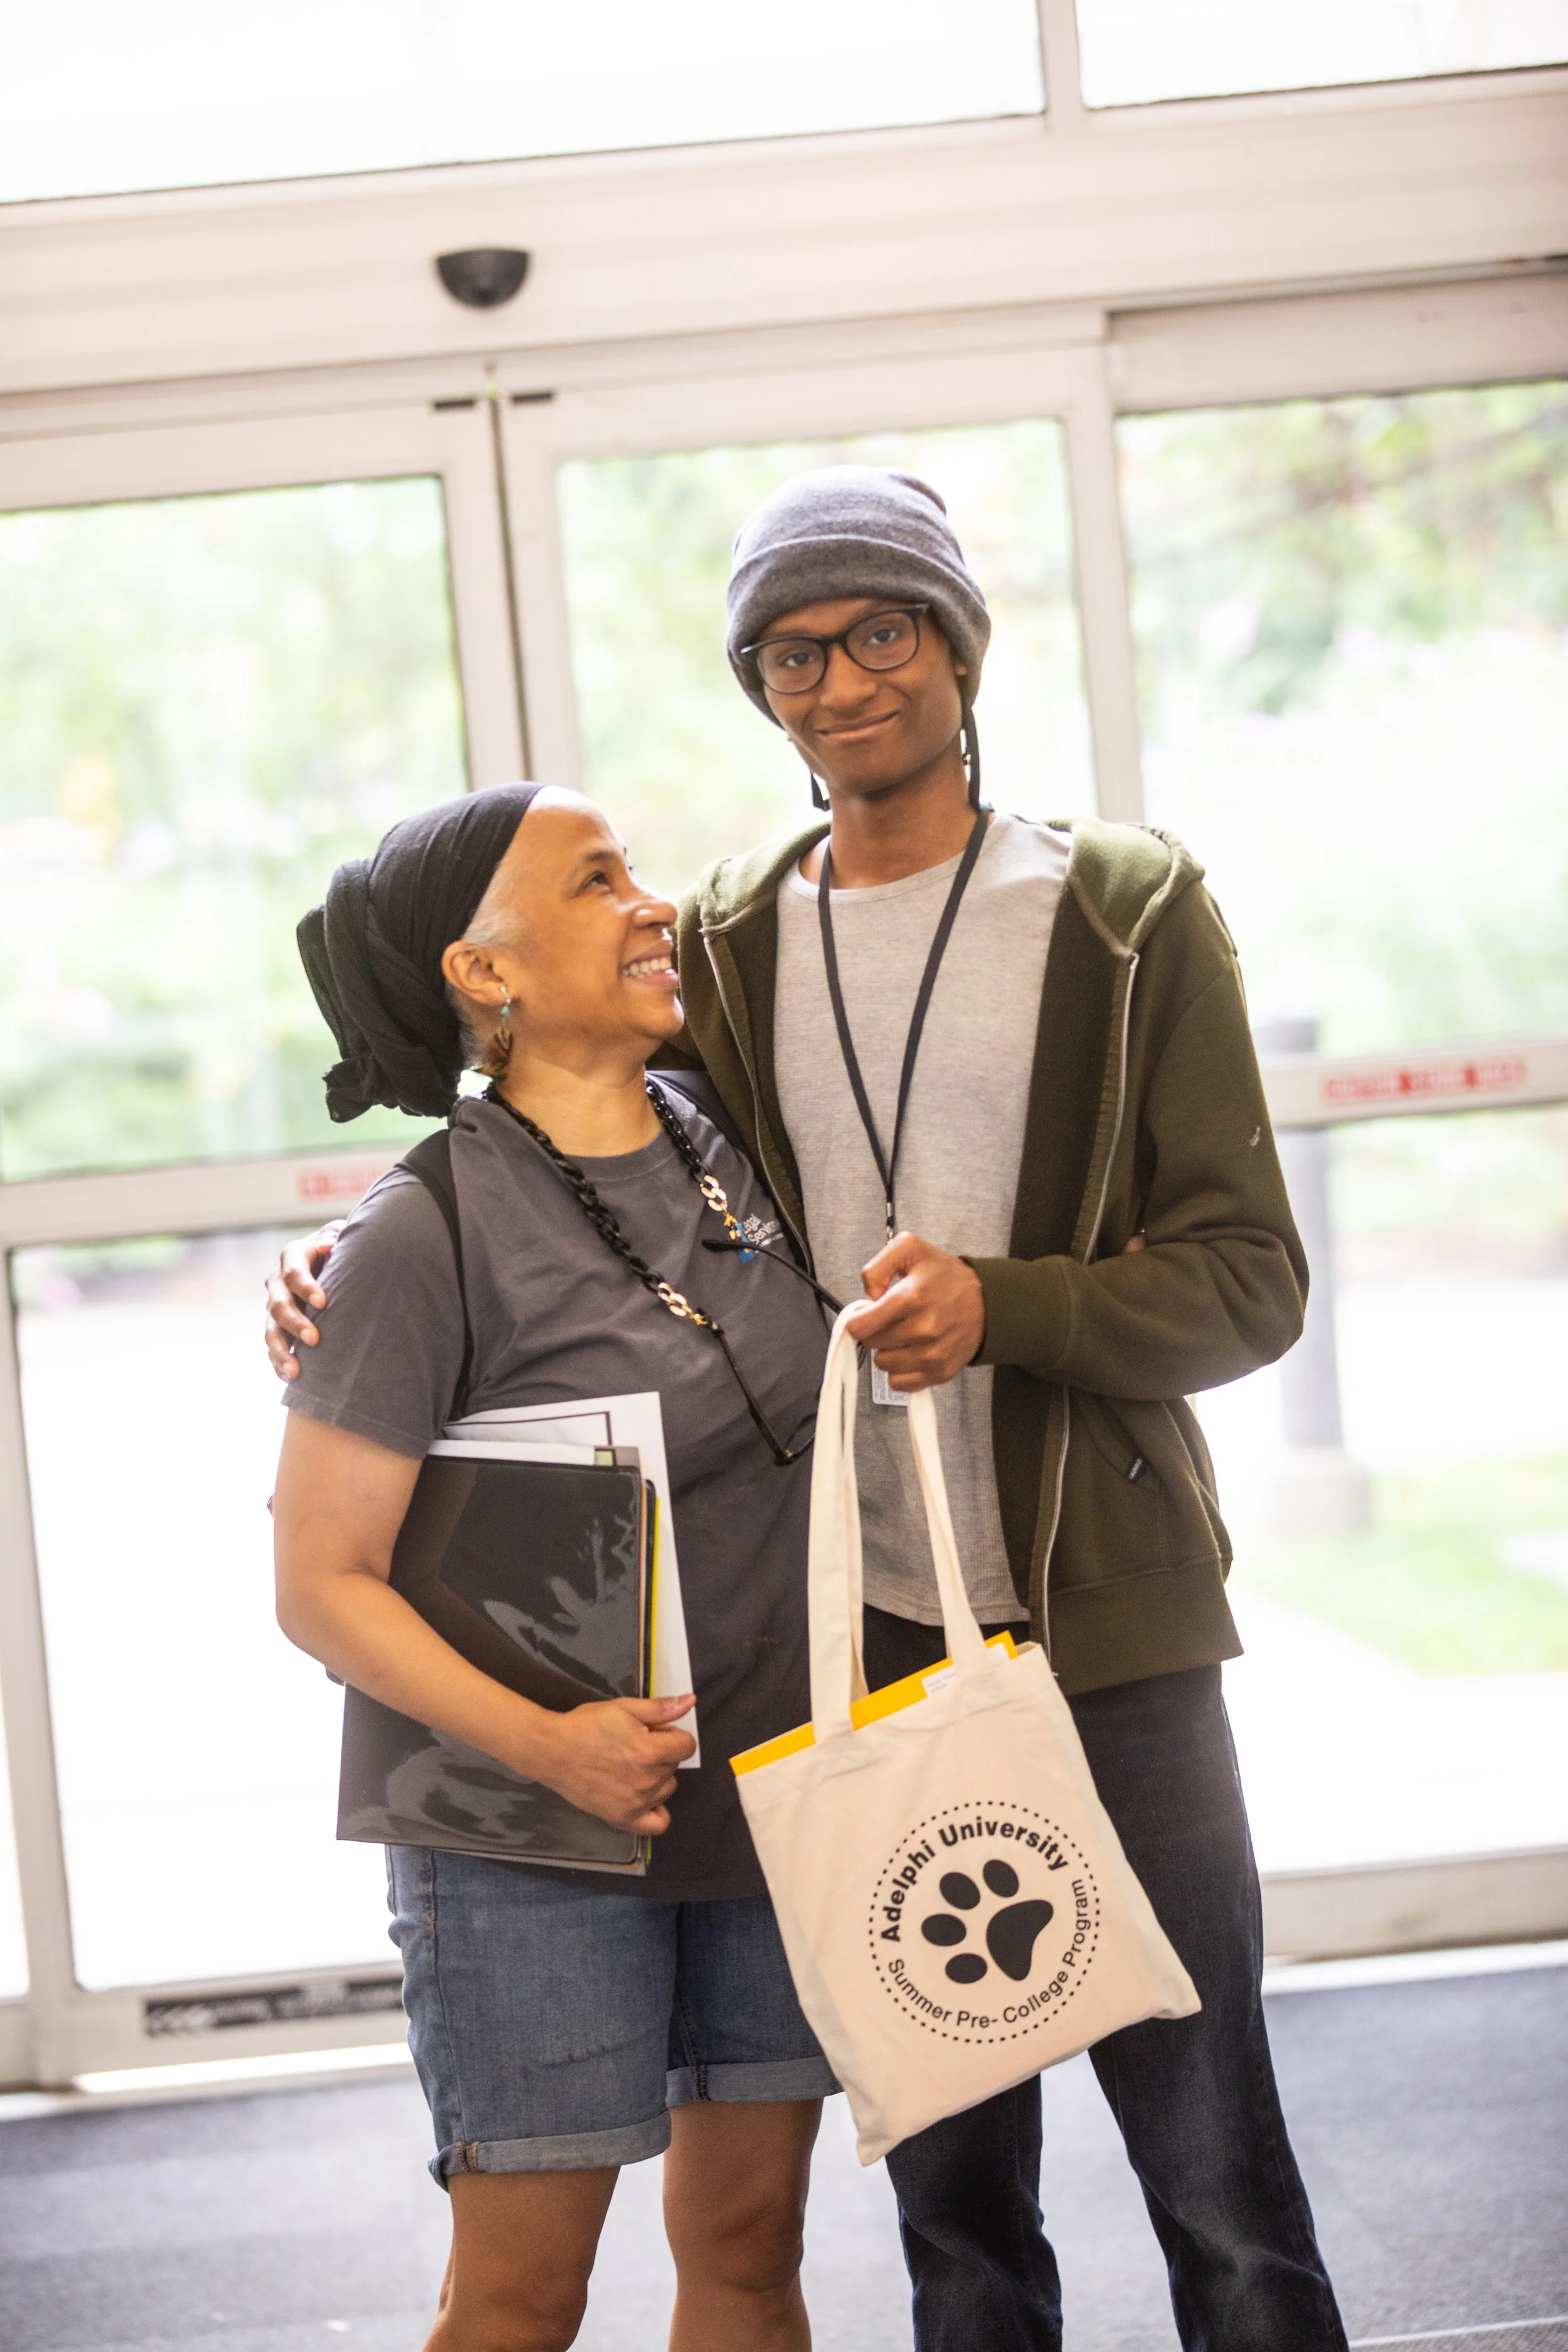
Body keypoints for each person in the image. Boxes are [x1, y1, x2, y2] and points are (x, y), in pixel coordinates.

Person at [268, 469, 1349, 2352]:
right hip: (853, 1669)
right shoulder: (734, 947)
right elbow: (513, 1149)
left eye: (881, 630)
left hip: (1087, 1631)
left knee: (1211, 2177)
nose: (842, 679)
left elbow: (1249, 1278)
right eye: (791, 651)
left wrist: (1002, 1306)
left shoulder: (1112, 912)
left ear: (956, 644)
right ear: (758, 688)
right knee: (951, 2212)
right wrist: (334, 1272)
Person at [270, 781, 837, 2352]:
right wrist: (552, 1749)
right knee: (524, 2296)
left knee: (747, 2241)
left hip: (766, 1794)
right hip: (529, 1833)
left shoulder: (738, 1150)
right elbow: (320, 1581)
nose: (649, 903)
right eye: (598, 882)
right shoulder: (419, 1231)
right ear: (485, 972)